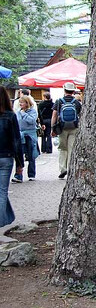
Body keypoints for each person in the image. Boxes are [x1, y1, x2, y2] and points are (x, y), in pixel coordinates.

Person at [0, 86, 23, 227]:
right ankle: (2, 221)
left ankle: (5, 218)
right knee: (2, 191)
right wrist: (19, 163)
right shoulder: (10, 116)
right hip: (6, 157)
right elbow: (16, 140)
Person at [51, 82, 82, 179]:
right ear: (73, 91)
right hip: (74, 127)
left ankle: (62, 169)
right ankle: (70, 169)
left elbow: (54, 115)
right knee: (71, 148)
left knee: (62, 148)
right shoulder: (77, 102)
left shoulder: (59, 101)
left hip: (62, 128)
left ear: (64, 90)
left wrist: (53, 128)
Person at [14, 97, 39, 182]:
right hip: (20, 135)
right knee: (19, 155)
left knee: (31, 155)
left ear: (27, 103)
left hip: (30, 135)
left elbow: (32, 121)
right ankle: (18, 175)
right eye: (20, 103)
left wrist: (24, 114)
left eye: (22, 103)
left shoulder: (33, 112)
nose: (21, 104)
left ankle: (31, 174)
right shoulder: (18, 112)